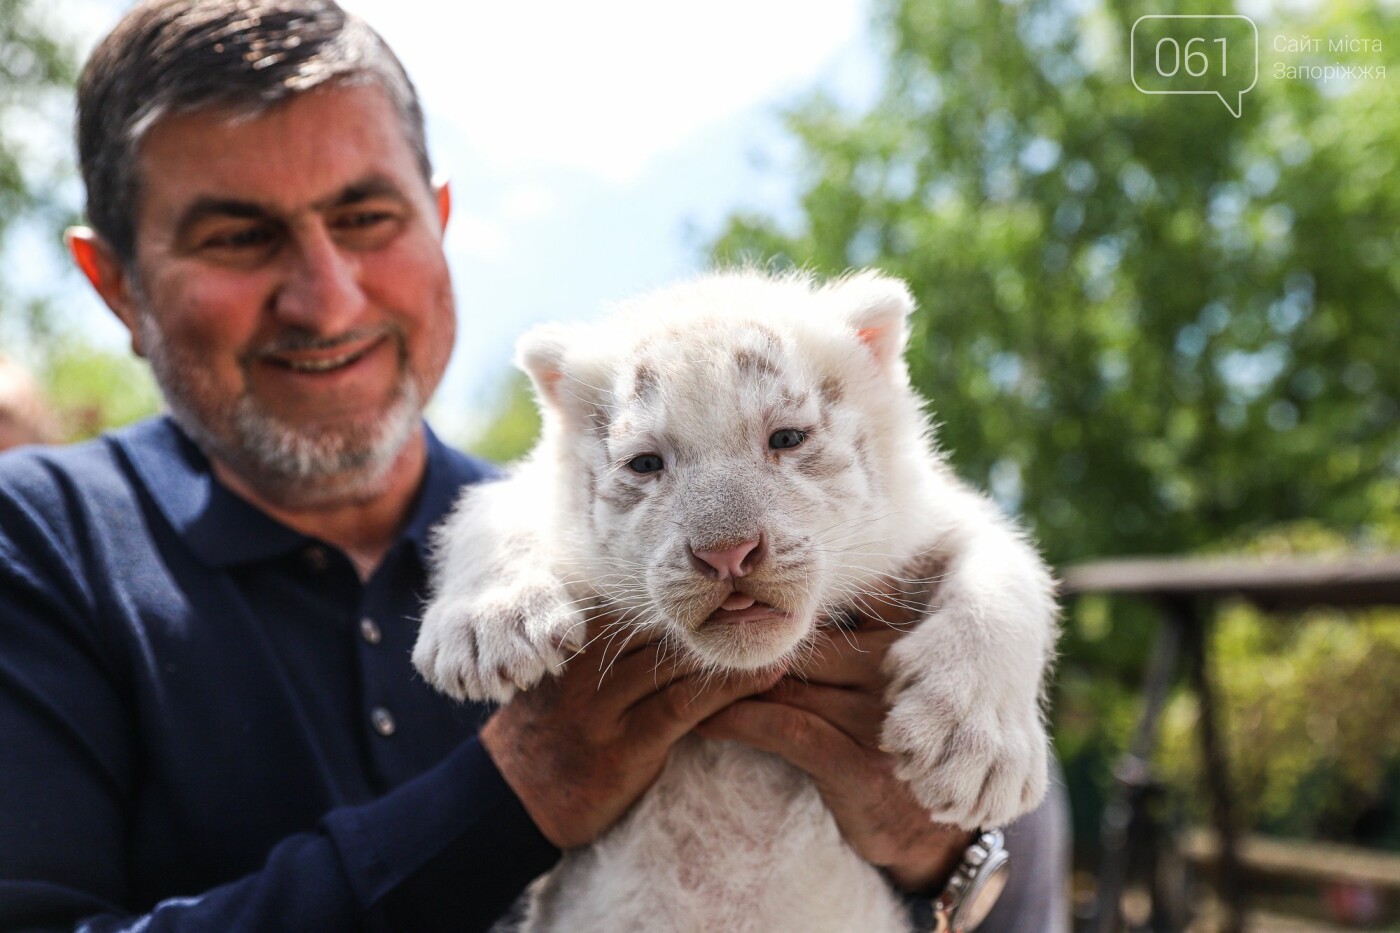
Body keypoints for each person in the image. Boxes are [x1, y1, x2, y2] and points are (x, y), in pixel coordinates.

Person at [0, 0, 1070, 929]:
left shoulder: (561, 521)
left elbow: (1010, 891)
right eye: (237, 237)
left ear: (440, 220)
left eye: (366, 216)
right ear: (115, 286)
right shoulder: (41, 544)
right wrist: (511, 794)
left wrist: (935, 848)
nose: (325, 297)